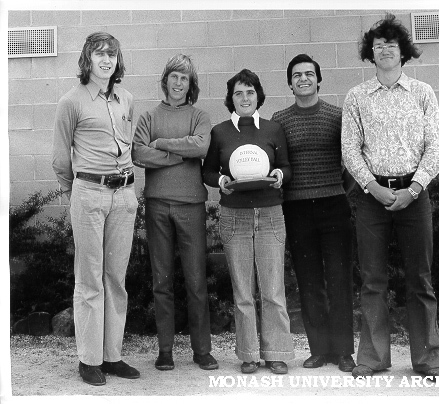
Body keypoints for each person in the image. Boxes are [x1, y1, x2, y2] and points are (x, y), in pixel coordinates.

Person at [341, 14, 439, 378]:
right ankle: (372, 358)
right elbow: (350, 150)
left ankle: (428, 360)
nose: (384, 50)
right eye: (378, 45)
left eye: (391, 44)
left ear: (404, 52)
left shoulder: (423, 93)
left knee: (420, 278)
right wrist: (375, 188)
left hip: (415, 197)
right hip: (372, 198)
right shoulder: (357, 97)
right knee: (372, 280)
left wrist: (413, 188)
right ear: (371, 54)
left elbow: (435, 147)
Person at [52, 32, 140, 386]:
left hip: (124, 196)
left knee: (115, 278)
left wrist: (125, 192)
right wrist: (82, 193)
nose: (106, 60)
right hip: (88, 193)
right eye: (99, 53)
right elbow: (61, 160)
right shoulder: (71, 102)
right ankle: (89, 360)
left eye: (112, 54)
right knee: (89, 279)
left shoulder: (127, 99)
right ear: (87, 60)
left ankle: (112, 356)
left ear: (118, 61)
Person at [202, 69, 295, 375]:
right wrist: (222, 180)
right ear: (231, 98)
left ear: (259, 96)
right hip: (235, 216)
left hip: (269, 214)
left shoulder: (273, 129)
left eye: (250, 92)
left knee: (272, 288)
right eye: (239, 93)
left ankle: (277, 352)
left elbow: (285, 166)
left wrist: (280, 175)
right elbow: (207, 171)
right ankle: (249, 355)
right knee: (243, 291)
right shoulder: (220, 132)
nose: (245, 98)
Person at [132, 54, 218, 371]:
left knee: (196, 281)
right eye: (174, 77)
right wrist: (175, 156)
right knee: (161, 280)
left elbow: (200, 147)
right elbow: (139, 153)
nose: (179, 83)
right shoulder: (147, 116)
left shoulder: (200, 116)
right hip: (157, 203)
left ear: (190, 84)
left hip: (191, 205)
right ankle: (165, 350)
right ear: (165, 80)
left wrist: (163, 144)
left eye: (184, 78)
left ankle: (202, 350)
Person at [271, 54, 356, 372]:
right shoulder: (280, 119)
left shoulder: (338, 115)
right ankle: (319, 349)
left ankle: (344, 351)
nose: (303, 79)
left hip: (333, 205)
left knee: (339, 279)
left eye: (309, 74)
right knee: (309, 281)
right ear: (290, 82)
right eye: (297, 75)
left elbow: (351, 163)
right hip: (296, 209)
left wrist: (335, 190)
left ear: (319, 79)